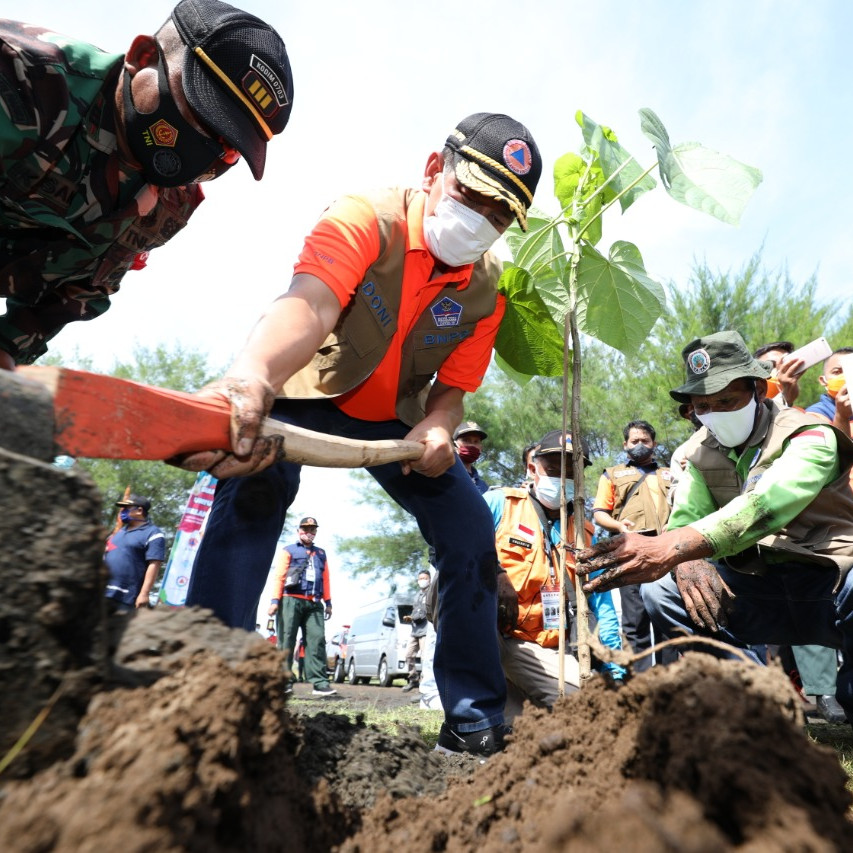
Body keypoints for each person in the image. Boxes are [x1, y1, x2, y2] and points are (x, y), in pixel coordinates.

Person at [181, 111, 542, 755]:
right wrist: (254, 375)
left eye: (498, 214)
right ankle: (208, 684)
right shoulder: (363, 217)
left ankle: (472, 716)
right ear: (435, 169)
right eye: (469, 196)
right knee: (255, 488)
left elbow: (452, 392)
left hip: (393, 421)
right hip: (306, 392)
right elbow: (311, 302)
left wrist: (437, 425)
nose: (478, 220)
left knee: (467, 531)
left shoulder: (487, 291)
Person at [576, 330, 853, 721]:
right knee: (663, 591)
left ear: (758, 389)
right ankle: (759, 700)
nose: (715, 412)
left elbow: (767, 504)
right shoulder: (699, 454)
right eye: (703, 405)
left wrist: (674, 547)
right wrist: (686, 561)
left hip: (828, 586)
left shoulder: (810, 435)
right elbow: (687, 516)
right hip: (760, 590)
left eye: (727, 400)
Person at [0, 0, 293, 368]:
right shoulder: (24, 79)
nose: (210, 155)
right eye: (205, 116)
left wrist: (9, 349)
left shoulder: (172, 201)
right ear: (144, 56)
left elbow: (86, 286)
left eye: (231, 148)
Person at [482, 430, 623, 721]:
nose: (562, 477)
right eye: (553, 468)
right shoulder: (499, 504)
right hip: (490, 635)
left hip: (541, 646)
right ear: (533, 468)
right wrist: (495, 571)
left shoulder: (585, 533)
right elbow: (457, 547)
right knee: (442, 586)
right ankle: (468, 711)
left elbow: (603, 606)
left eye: (572, 470)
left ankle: (515, 710)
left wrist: (615, 672)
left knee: (588, 708)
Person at [756, 340, 845, 724]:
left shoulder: (811, 418)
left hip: (825, 540)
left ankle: (826, 695)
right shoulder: (743, 426)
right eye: (769, 369)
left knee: (811, 614)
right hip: (768, 541)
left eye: (786, 365)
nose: (778, 373)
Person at [593, 420, 673, 672]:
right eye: (634, 441)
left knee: (667, 616)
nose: (640, 445)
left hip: (666, 549)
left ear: (654, 444)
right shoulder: (612, 474)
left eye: (645, 441)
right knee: (635, 619)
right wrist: (618, 527)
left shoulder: (670, 474)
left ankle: (669, 681)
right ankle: (640, 683)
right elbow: (599, 513)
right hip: (630, 549)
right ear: (625, 445)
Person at [267, 516, 335, 697]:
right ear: (299, 531)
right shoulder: (288, 550)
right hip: (290, 600)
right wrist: (275, 601)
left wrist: (328, 602)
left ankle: (319, 684)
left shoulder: (321, 553)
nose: (309, 533)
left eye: (313, 530)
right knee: (286, 639)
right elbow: (279, 576)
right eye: (306, 529)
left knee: (317, 640)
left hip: (314, 602)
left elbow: (326, 578)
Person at [104, 494, 166, 612]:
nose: (122, 511)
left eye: (126, 508)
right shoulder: (117, 533)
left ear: (139, 510)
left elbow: (154, 564)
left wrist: (144, 593)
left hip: (125, 598)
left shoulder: (154, 534)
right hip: (103, 592)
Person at [807, 347, 853, 438]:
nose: (845, 377)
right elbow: (837, 450)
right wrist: (841, 417)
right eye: (837, 372)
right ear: (823, 381)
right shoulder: (815, 414)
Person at [401, 569, 431, 692]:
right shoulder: (417, 595)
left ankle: (424, 683)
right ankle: (413, 679)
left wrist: (412, 617)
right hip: (415, 631)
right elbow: (415, 610)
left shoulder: (430, 594)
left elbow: (425, 612)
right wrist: (410, 617)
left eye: (424, 578)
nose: (422, 581)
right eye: (420, 579)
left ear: (429, 579)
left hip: (425, 631)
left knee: (425, 658)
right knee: (408, 655)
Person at [453, 421, 489, 493]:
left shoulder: (484, 487)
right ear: (454, 444)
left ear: (481, 447)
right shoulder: (444, 474)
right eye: (466, 440)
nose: (472, 445)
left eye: (476, 441)